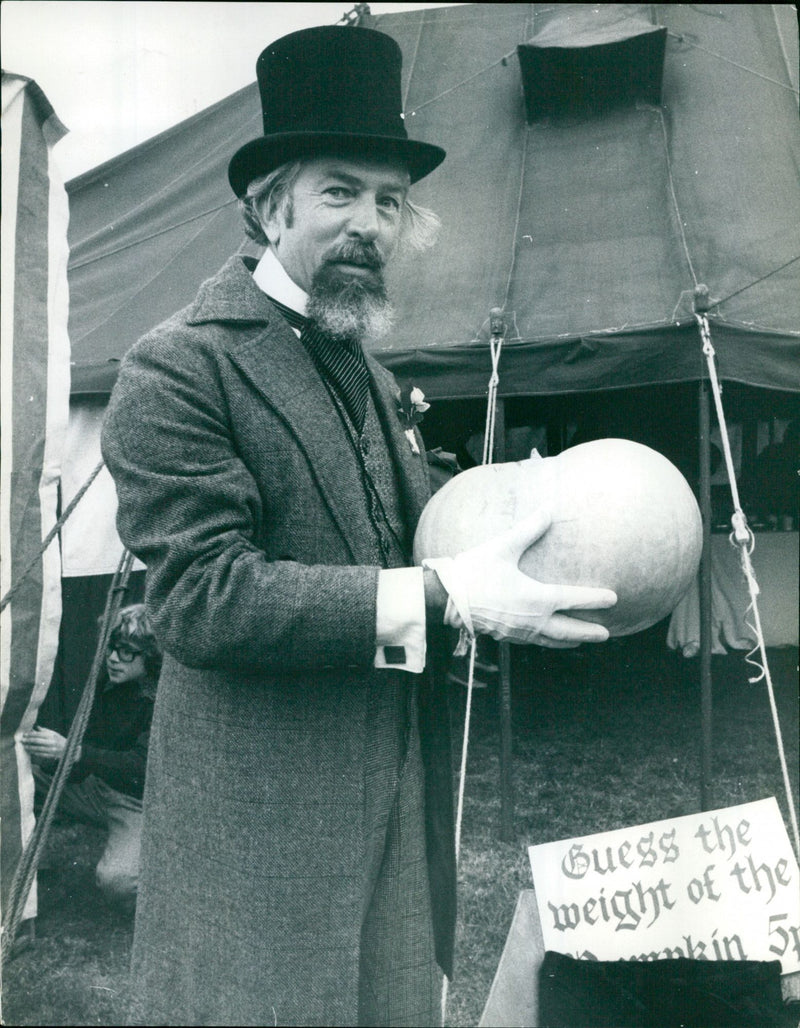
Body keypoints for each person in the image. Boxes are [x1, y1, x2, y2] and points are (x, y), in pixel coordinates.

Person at [100, 25, 617, 1027]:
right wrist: (443, 594)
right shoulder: (179, 365)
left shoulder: (368, 370)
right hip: (259, 826)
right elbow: (203, 598)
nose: (370, 225)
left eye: (388, 201)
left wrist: (504, 508)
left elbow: (396, 526)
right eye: (340, 192)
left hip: (393, 802)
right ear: (269, 205)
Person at [22, 603, 160, 912]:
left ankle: (163, 889)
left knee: (118, 883)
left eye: (127, 652)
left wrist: (74, 752)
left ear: (151, 656)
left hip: (137, 803)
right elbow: (87, 755)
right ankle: (30, 866)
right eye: (111, 648)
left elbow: (140, 767)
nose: (113, 658)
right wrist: (52, 758)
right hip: (96, 788)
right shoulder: (110, 686)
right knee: (15, 775)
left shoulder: (160, 702)